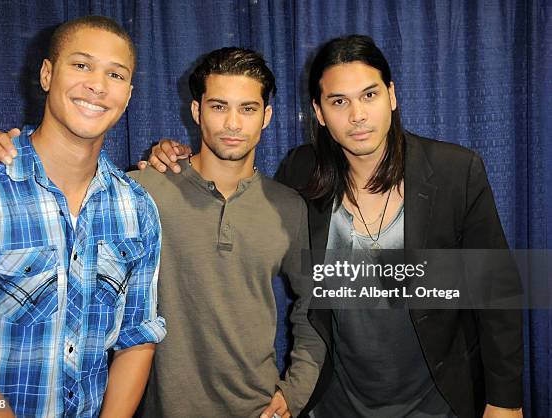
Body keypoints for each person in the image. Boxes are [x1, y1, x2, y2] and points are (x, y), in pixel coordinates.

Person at [112, 36, 525, 418]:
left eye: (369, 95)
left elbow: (495, 289)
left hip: (439, 396)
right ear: (319, 112)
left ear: (393, 96)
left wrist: (504, 401)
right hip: (338, 400)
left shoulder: (455, 171)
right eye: (339, 101)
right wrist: (165, 159)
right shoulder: (302, 172)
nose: (358, 115)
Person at [0, 47, 325, 418]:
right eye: (218, 106)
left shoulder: (288, 207)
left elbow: (316, 305)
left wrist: (293, 393)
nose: (233, 123)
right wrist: (4, 153)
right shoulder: (139, 193)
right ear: (196, 111)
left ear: (267, 117)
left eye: (247, 109)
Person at [0, 16, 165, 418]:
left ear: (129, 95)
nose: (97, 85)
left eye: (115, 74)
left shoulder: (138, 208)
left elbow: (138, 339)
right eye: (81, 65)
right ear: (47, 74)